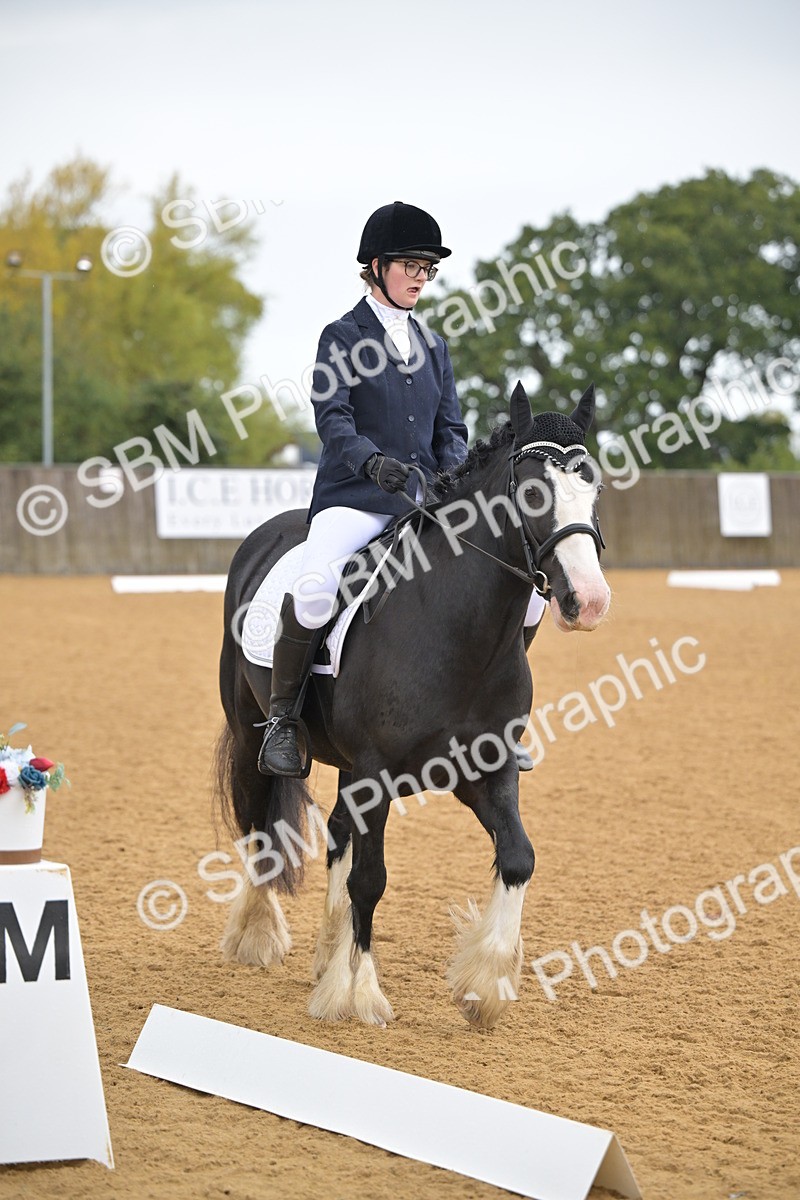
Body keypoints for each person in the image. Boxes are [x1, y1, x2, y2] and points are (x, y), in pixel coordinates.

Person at [258, 201, 544, 777]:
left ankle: (495, 715)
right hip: (356, 499)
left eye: (428, 268)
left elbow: (452, 430)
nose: (420, 276)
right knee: (315, 588)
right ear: (377, 265)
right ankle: (283, 721)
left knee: (531, 589)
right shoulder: (341, 335)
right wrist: (372, 464)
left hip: (427, 504)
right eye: (411, 265)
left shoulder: (434, 345)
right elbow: (332, 418)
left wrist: (455, 478)